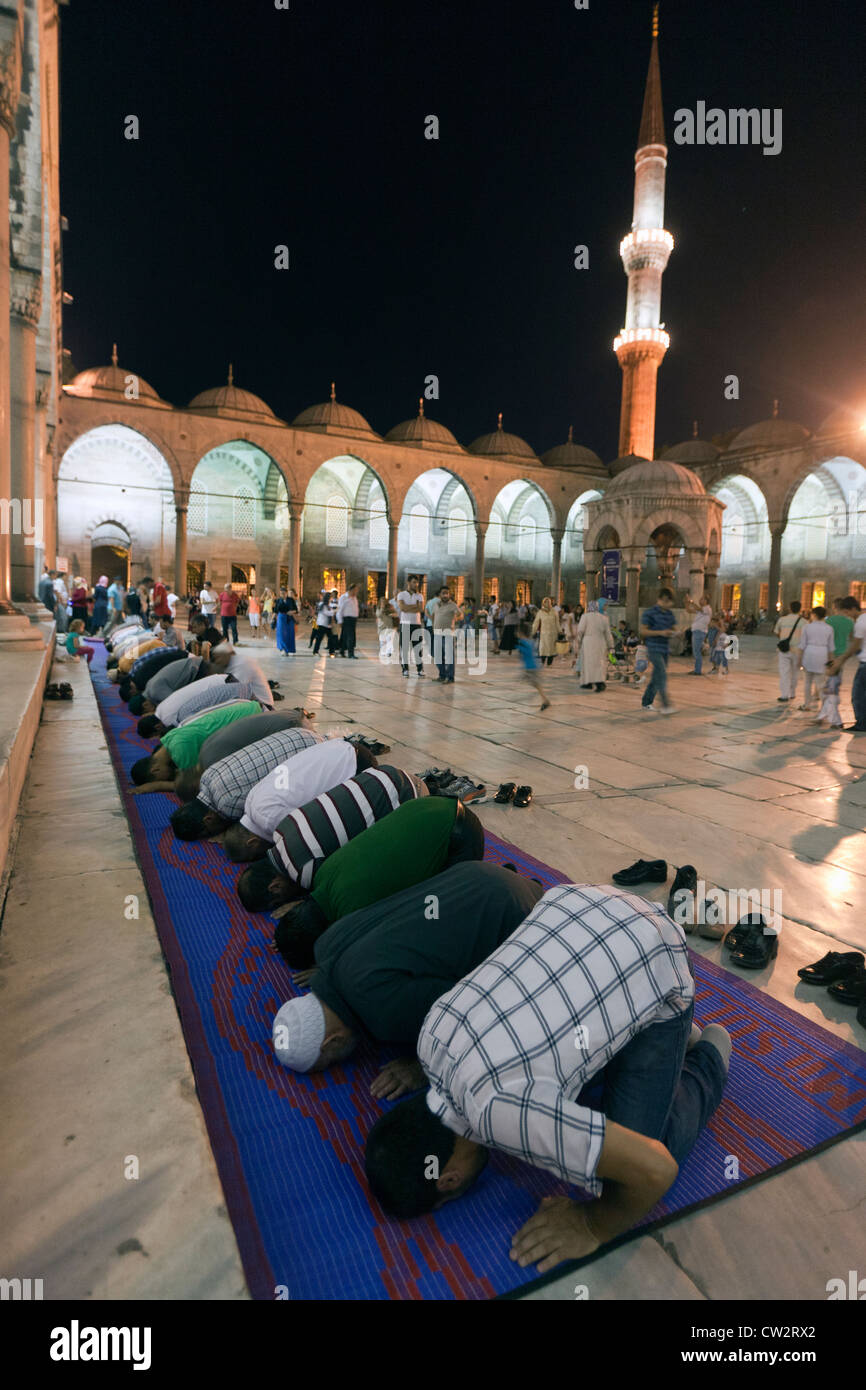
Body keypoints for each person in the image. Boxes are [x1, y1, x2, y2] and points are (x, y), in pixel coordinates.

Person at [363, 881, 730, 1270]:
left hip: (660, 951)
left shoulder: (503, 1112)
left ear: (448, 1180)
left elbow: (656, 1170)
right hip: (583, 900)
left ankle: (709, 1053)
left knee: (624, 1178)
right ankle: (657, 1036)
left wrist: (593, 1224)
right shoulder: (429, 1039)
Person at [272, 863, 542, 1080]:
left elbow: (472, 1010)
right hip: (476, 873)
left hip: (521, 920)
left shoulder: (380, 1014)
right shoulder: (326, 945)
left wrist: (423, 1068)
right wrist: (326, 980)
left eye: (329, 1061)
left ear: (332, 1042)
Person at [270, 795, 486, 965]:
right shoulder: (322, 874)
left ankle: (493, 885)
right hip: (433, 804)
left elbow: (371, 953)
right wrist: (292, 933)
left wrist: (324, 969)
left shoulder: (352, 911)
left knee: (437, 919)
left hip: (462, 835)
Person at [236, 765, 428, 912]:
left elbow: (338, 893)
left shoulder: (305, 872)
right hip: (383, 773)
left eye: (280, 901)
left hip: (409, 798)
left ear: (275, 886)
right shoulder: (281, 830)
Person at [223, 736, 371, 861]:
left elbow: (312, 835)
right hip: (337, 746)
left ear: (252, 843)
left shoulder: (271, 822)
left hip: (354, 764)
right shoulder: (250, 800)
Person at [170, 727, 326, 840]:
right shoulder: (207, 777)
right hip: (297, 732)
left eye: (208, 833)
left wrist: (225, 835)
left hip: (310, 751)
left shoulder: (227, 807)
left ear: (208, 819)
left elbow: (249, 827)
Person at [129, 699, 264, 793]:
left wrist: (157, 785)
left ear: (155, 770)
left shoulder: (180, 750)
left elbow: (192, 785)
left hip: (256, 718)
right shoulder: (168, 738)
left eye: (160, 777)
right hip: (247, 707)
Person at [640, 589, 683, 714]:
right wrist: (660, 632)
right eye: (669, 601)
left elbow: (673, 627)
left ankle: (647, 701)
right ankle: (665, 704)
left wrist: (677, 633)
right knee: (662, 674)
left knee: (657, 676)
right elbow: (643, 631)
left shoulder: (669, 614)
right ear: (663, 599)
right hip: (653, 647)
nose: (670, 604)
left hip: (665, 648)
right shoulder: (650, 613)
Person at [828, 596, 866, 732]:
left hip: (865, 665)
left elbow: (855, 646)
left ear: (853, 609)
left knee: (858, 695)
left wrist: (840, 660)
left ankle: (862, 724)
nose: (847, 616)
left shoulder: (861, 623)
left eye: (848, 612)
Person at [797, 607, 834, 710]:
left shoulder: (807, 627)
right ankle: (824, 706)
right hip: (822, 654)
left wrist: (799, 660)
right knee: (821, 683)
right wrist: (831, 661)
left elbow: (802, 644)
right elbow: (831, 647)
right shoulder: (829, 628)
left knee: (807, 682)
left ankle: (807, 704)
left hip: (809, 652)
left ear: (814, 615)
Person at [574, 599, 614, 691]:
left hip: (588, 642)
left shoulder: (585, 616)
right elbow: (608, 633)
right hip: (600, 642)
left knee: (587, 663)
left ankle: (588, 683)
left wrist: (578, 643)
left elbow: (580, 631)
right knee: (599, 663)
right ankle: (599, 683)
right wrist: (611, 645)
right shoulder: (604, 618)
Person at [773, 599, 803, 703]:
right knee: (795, 673)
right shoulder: (804, 622)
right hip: (797, 650)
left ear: (790, 609)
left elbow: (776, 632)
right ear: (800, 609)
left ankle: (784, 695)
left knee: (784, 672)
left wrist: (783, 638)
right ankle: (792, 693)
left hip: (784, 650)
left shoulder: (782, 620)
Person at [516, 619, 550, 711]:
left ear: (521, 633)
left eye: (518, 632)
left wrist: (519, 648)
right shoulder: (530, 641)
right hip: (533, 666)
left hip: (531, 667)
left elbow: (526, 653)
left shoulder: (524, 643)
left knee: (536, 683)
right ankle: (545, 700)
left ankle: (545, 700)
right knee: (535, 683)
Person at [396, 576, 425, 678]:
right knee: (404, 648)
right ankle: (405, 669)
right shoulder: (401, 594)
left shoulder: (420, 596)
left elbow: (421, 609)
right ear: (408, 582)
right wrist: (415, 606)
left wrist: (409, 607)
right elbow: (402, 608)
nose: (416, 584)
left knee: (418, 648)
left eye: (417, 583)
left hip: (416, 624)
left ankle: (420, 669)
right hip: (405, 624)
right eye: (413, 582)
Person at [432, 585, 462, 683]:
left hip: (448, 634)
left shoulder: (453, 605)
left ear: (449, 595)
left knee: (449, 656)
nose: (445, 595)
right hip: (437, 633)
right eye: (443, 593)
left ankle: (450, 677)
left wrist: (457, 617)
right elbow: (434, 616)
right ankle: (442, 675)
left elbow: (460, 615)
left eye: (447, 593)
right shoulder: (436, 604)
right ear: (440, 594)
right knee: (437, 656)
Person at [684, 593, 713, 675]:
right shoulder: (702, 609)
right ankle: (697, 669)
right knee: (695, 651)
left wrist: (691, 601)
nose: (700, 600)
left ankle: (698, 670)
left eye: (702, 599)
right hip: (697, 631)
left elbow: (698, 608)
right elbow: (689, 611)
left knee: (696, 651)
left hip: (700, 631)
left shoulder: (707, 608)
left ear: (706, 601)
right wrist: (686, 603)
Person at [531, 596, 559, 667]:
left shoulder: (554, 612)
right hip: (544, 634)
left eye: (548, 602)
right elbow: (536, 623)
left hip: (553, 633)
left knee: (552, 649)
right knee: (543, 648)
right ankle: (542, 662)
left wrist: (560, 631)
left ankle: (549, 663)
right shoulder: (540, 612)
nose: (547, 603)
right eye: (545, 602)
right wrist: (533, 631)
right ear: (543, 603)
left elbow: (557, 623)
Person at [312, 590, 337, 657]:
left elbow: (330, 612)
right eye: (330, 597)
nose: (331, 599)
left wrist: (332, 611)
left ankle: (332, 652)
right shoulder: (322, 605)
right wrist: (333, 612)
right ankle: (315, 651)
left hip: (327, 625)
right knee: (319, 639)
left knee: (330, 638)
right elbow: (326, 612)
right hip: (322, 624)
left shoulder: (328, 605)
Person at [337, 584, 360, 658]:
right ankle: (351, 653)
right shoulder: (344, 597)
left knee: (344, 636)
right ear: (351, 590)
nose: (357, 592)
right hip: (347, 618)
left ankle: (342, 650)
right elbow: (340, 610)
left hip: (353, 619)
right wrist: (339, 620)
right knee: (351, 636)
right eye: (356, 590)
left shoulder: (354, 598)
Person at [274, 587, 297, 656]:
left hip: (289, 618)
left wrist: (291, 612)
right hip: (281, 618)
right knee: (281, 634)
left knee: (290, 634)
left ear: (286, 593)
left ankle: (289, 649)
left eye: (284, 593)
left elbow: (296, 610)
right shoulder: (278, 600)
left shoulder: (291, 600)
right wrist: (273, 620)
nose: (282, 595)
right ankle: (282, 649)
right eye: (281, 593)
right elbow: (275, 611)